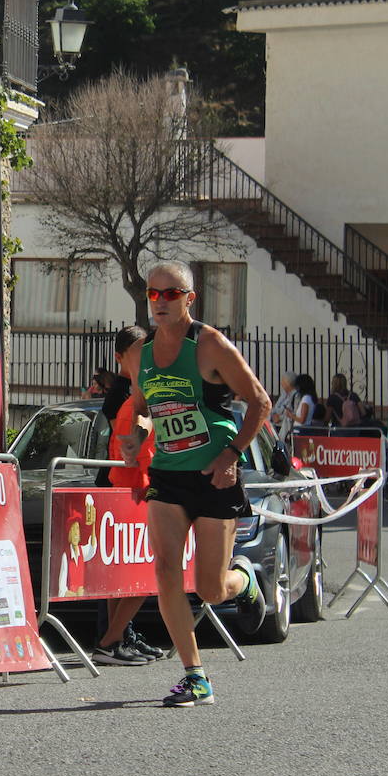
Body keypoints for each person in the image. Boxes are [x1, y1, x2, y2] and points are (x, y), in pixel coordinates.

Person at [122, 260, 270, 707]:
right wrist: (137, 437)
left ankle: (243, 581)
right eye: (153, 294)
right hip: (168, 474)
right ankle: (194, 675)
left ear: (190, 298)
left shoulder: (210, 345)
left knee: (209, 588)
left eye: (171, 293)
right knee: (166, 569)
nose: (161, 302)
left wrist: (231, 455)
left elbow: (260, 402)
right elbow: (144, 407)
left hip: (213, 474)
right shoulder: (139, 354)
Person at [91, 325, 165, 666]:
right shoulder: (125, 405)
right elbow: (131, 457)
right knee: (145, 574)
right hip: (134, 496)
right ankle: (111, 640)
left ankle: (117, 638)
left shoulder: (138, 404)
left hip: (135, 494)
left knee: (132, 576)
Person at [268, 372, 299, 442]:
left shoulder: (295, 396)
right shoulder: (284, 394)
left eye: (283, 381)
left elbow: (291, 411)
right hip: (275, 424)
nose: (281, 383)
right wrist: (273, 415)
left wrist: (280, 417)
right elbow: (276, 407)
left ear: (288, 383)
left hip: (285, 427)